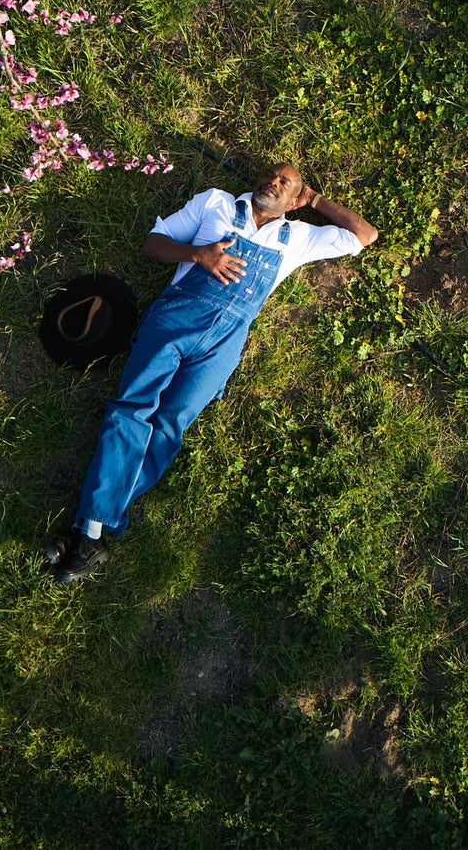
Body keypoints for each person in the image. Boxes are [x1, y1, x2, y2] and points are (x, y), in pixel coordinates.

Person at [44, 162, 378, 583]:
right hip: (172, 323)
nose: (271, 182)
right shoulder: (216, 203)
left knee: (168, 428)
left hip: (223, 346)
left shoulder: (298, 237)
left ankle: (87, 531)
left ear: (294, 201)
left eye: (284, 183)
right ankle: (91, 531)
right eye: (269, 175)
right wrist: (197, 254)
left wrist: (315, 200)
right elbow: (153, 243)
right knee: (131, 410)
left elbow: (365, 236)